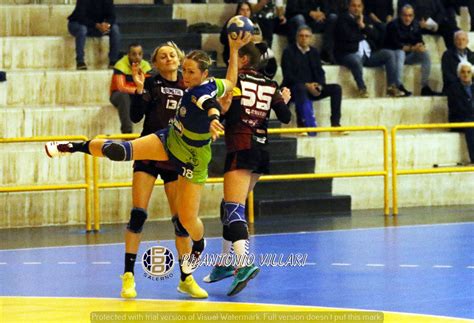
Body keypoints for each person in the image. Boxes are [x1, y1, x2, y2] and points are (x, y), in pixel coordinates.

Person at [45, 32, 252, 298]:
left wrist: (214, 115)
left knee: (186, 220)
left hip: (190, 158)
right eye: (182, 68)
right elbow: (226, 86)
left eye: (189, 69)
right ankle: (73, 146)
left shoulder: (199, 90)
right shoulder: (170, 83)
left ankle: (195, 254)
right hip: (166, 140)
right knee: (123, 154)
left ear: (200, 73)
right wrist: (233, 52)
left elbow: (210, 101)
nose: (184, 73)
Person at [203, 42, 292, 296]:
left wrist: (221, 107)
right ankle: (223, 262)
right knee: (228, 206)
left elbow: (224, 111)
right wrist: (283, 100)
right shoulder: (270, 84)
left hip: (241, 146)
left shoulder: (235, 82)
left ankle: (243, 263)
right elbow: (285, 117)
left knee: (233, 208)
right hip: (261, 150)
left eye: (233, 58)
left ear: (242, 60)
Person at [119, 42, 202, 299]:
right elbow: (135, 117)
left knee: (181, 221)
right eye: (162, 56)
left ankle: (186, 278)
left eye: (172, 54)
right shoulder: (152, 83)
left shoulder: (189, 87)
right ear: (155, 63)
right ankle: (128, 277)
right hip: (149, 151)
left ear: (179, 59)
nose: (168, 58)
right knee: (138, 214)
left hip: (175, 156)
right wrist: (139, 87)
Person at [282, 26, 343, 134]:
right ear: (297, 38)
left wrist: (318, 85)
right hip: (294, 88)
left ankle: (335, 124)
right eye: (301, 36)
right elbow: (288, 76)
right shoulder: (288, 52)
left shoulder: (314, 52)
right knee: (300, 88)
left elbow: (320, 72)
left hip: (312, 88)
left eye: (307, 36)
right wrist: (306, 85)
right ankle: (302, 126)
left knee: (336, 89)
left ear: (311, 38)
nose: (304, 38)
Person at [334, 0, 401, 98]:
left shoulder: (365, 19)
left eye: (359, 6)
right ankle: (362, 88)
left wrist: (363, 26)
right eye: (354, 6)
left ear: (362, 7)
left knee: (389, 54)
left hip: (367, 55)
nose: (356, 8)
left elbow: (376, 36)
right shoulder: (342, 19)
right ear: (349, 7)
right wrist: (363, 34)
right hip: (349, 54)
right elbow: (348, 37)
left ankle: (391, 87)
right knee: (356, 60)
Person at [384, 4, 440, 96]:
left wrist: (420, 46)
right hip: (394, 57)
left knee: (425, 54)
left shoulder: (415, 25)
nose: (407, 18)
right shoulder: (393, 25)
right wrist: (413, 48)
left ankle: (424, 86)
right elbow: (397, 46)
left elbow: (419, 41)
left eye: (410, 16)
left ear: (413, 16)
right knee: (400, 52)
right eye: (405, 15)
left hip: (409, 56)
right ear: (400, 15)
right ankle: (398, 85)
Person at [110, 43, 152, 134]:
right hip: (118, 95)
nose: (137, 57)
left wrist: (140, 91)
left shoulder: (146, 66)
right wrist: (138, 90)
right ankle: (127, 132)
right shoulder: (120, 65)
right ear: (128, 54)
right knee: (123, 96)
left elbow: (148, 86)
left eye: (140, 54)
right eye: (134, 54)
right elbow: (121, 87)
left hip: (135, 94)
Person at [67, 0, 121, 70]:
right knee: (82, 30)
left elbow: (112, 16)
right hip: (78, 23)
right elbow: (80, 17)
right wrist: (96, 25)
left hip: (96, 26)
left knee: (115, 29)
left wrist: (107, 24)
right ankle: (80, 61)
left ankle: (113, 61)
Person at [446, 61, 474, 164]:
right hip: (460, 119)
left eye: (468, 72)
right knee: (470, 125)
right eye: (463, 72)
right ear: (459, 74)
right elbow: (458, 108)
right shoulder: (453, 89)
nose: (466, 75)